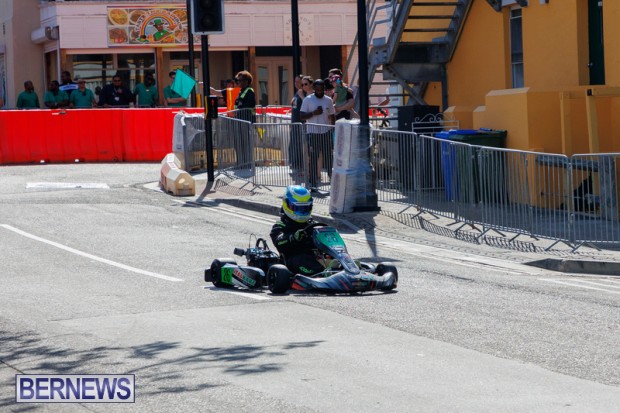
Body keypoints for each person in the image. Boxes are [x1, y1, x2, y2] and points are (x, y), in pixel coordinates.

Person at [270, 185, 324, 276]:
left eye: (305, 208)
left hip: (315, 257)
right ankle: (322, 274)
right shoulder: (280, 226)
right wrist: (293, 237)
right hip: (292, 261)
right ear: (286, 204)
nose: (302, 212)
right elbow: (278, 241)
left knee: (332, 257)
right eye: (298, 208)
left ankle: (341, 270)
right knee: (303, 259)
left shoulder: (311, 224)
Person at [300, 78, 335, 191]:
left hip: (325, 132)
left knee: (329, 157)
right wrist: (313, 113)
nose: (320, 91)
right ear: (314, 88)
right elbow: (301, 116)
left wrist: (332, 128)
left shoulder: (328, 100)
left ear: (324, 89)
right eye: (318, 89)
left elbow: (332, 115)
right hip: (312, 133)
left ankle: (333, 181)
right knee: (313, 158)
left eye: (321, 89)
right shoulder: (308, 100)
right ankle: (313, 183)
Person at [289, 74, 308, 174]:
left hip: (301, 123)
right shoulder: (297, 93)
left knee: (300, 145)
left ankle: (301, 166)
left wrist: (301, 96)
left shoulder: (305, 93)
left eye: (298, 82)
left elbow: (308, 105)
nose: (296, 84)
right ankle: (294, 164)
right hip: (294, 122)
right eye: (295, 82)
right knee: (294, 144)